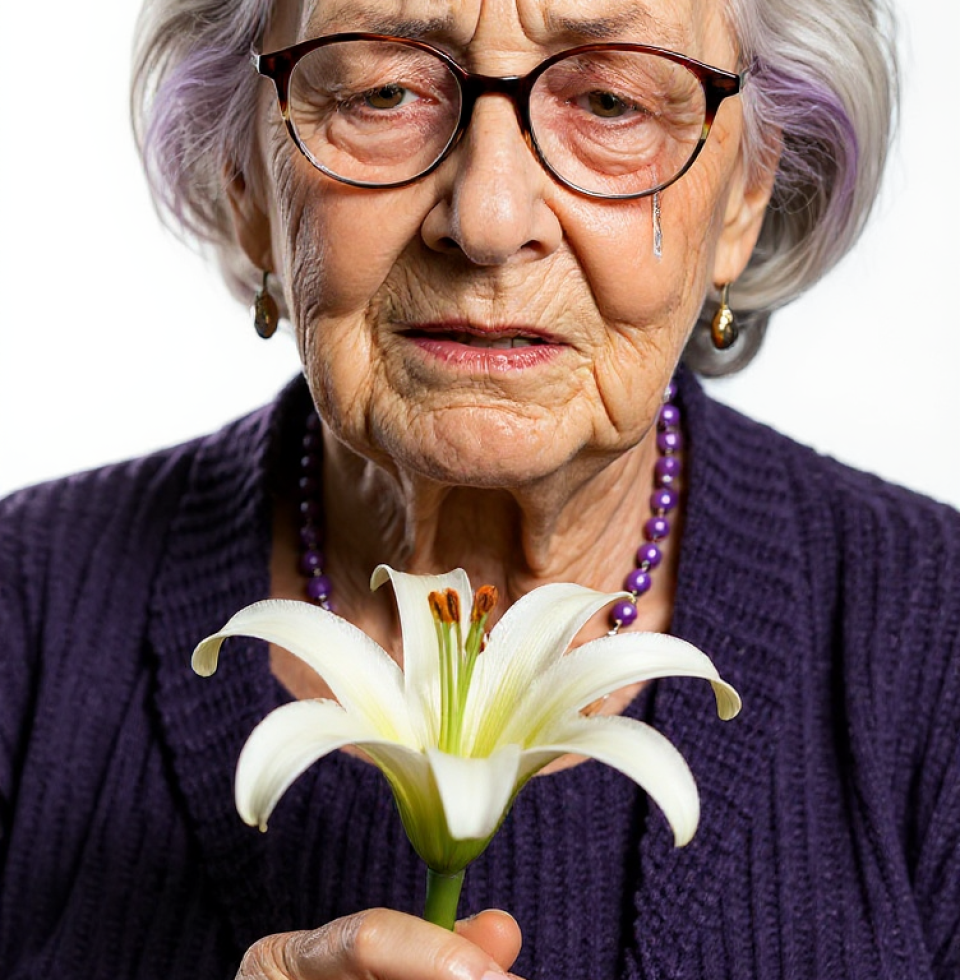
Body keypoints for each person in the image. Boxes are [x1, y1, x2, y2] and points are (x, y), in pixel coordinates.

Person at [1, 0, 957, 978]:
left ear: (748, 196)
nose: (489, 221)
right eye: (382, 90)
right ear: (244, 178)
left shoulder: (937, 643)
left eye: (611, 100)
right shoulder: (21, 611)